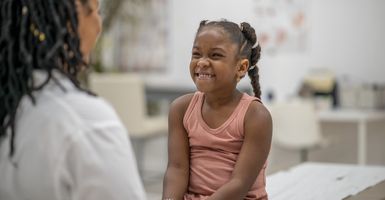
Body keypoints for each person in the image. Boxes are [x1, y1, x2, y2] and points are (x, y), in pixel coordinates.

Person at [0, 0, 146, 199]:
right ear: (73, 15)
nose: (99, 25)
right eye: (96, 11)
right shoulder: (86, 123)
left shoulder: (12, 108)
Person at [163, 19, 272, 200]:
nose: (202, 62)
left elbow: (239, 184)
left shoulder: (256, 116)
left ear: (241, 67)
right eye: (196, 54)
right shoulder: (180, 109)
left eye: (215, 56)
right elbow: (176, 169)